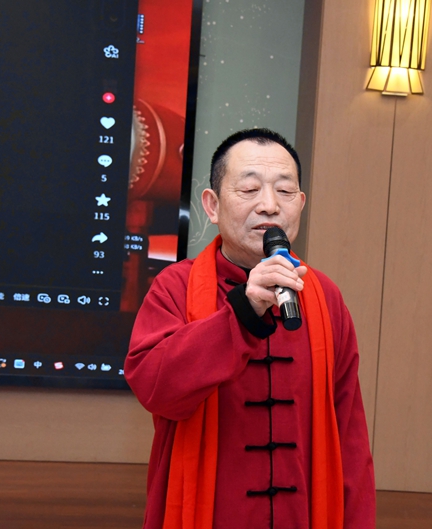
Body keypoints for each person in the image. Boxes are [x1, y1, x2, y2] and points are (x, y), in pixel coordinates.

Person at [125, 128, 375, 529]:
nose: (270, 206)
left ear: (301, 204)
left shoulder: (324, 296)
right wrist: (243, 310)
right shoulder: (175, 287)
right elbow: (156, 389)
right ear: (212, 205)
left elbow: (350, 436)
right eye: (249, 190)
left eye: (285, 191)